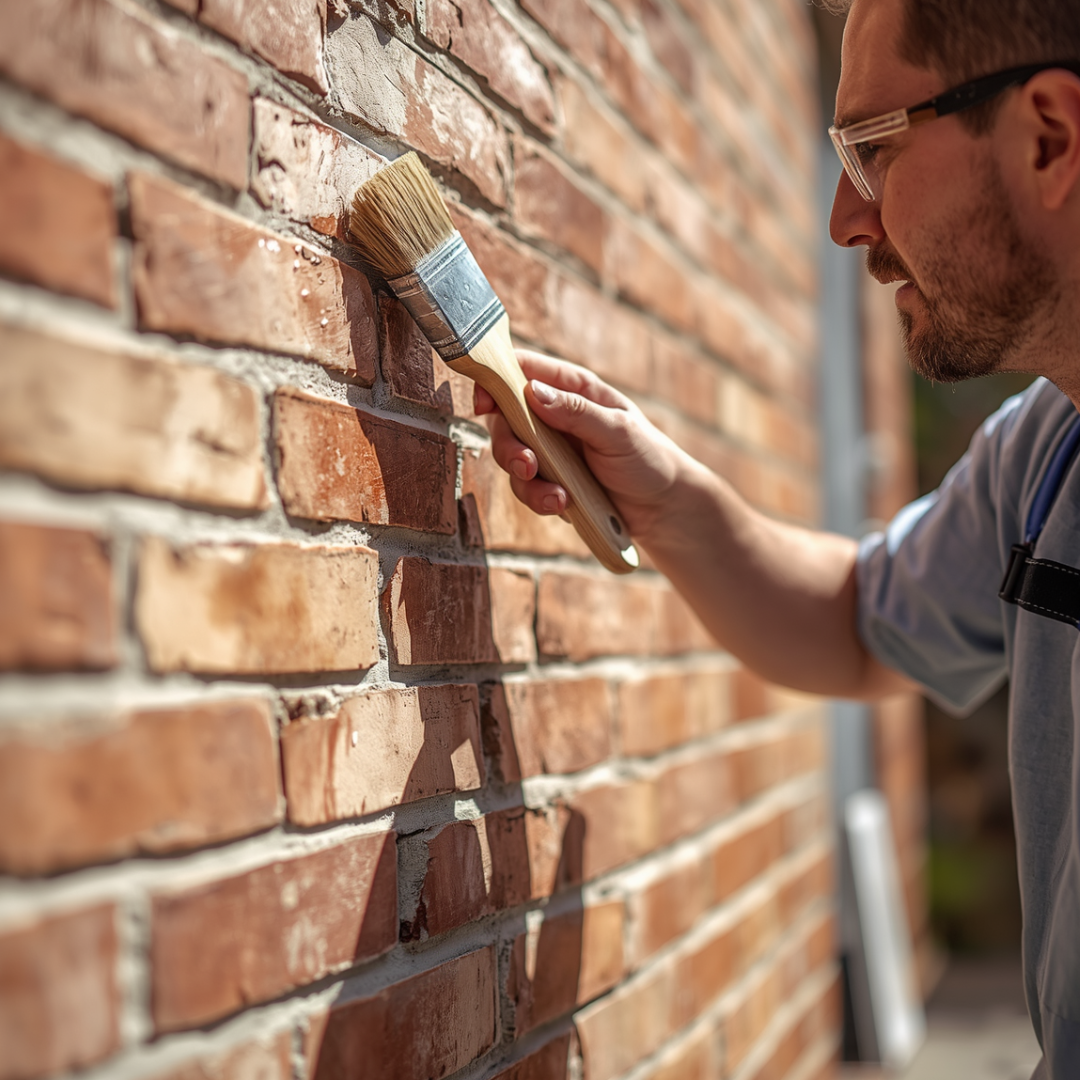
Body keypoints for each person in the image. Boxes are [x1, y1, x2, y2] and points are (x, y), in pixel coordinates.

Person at [474, 0, 1080, 1074]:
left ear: (1049, 138)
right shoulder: (1044, 453)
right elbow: (856, 621)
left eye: (874, 148)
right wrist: (663, 496)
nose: (846, 219)